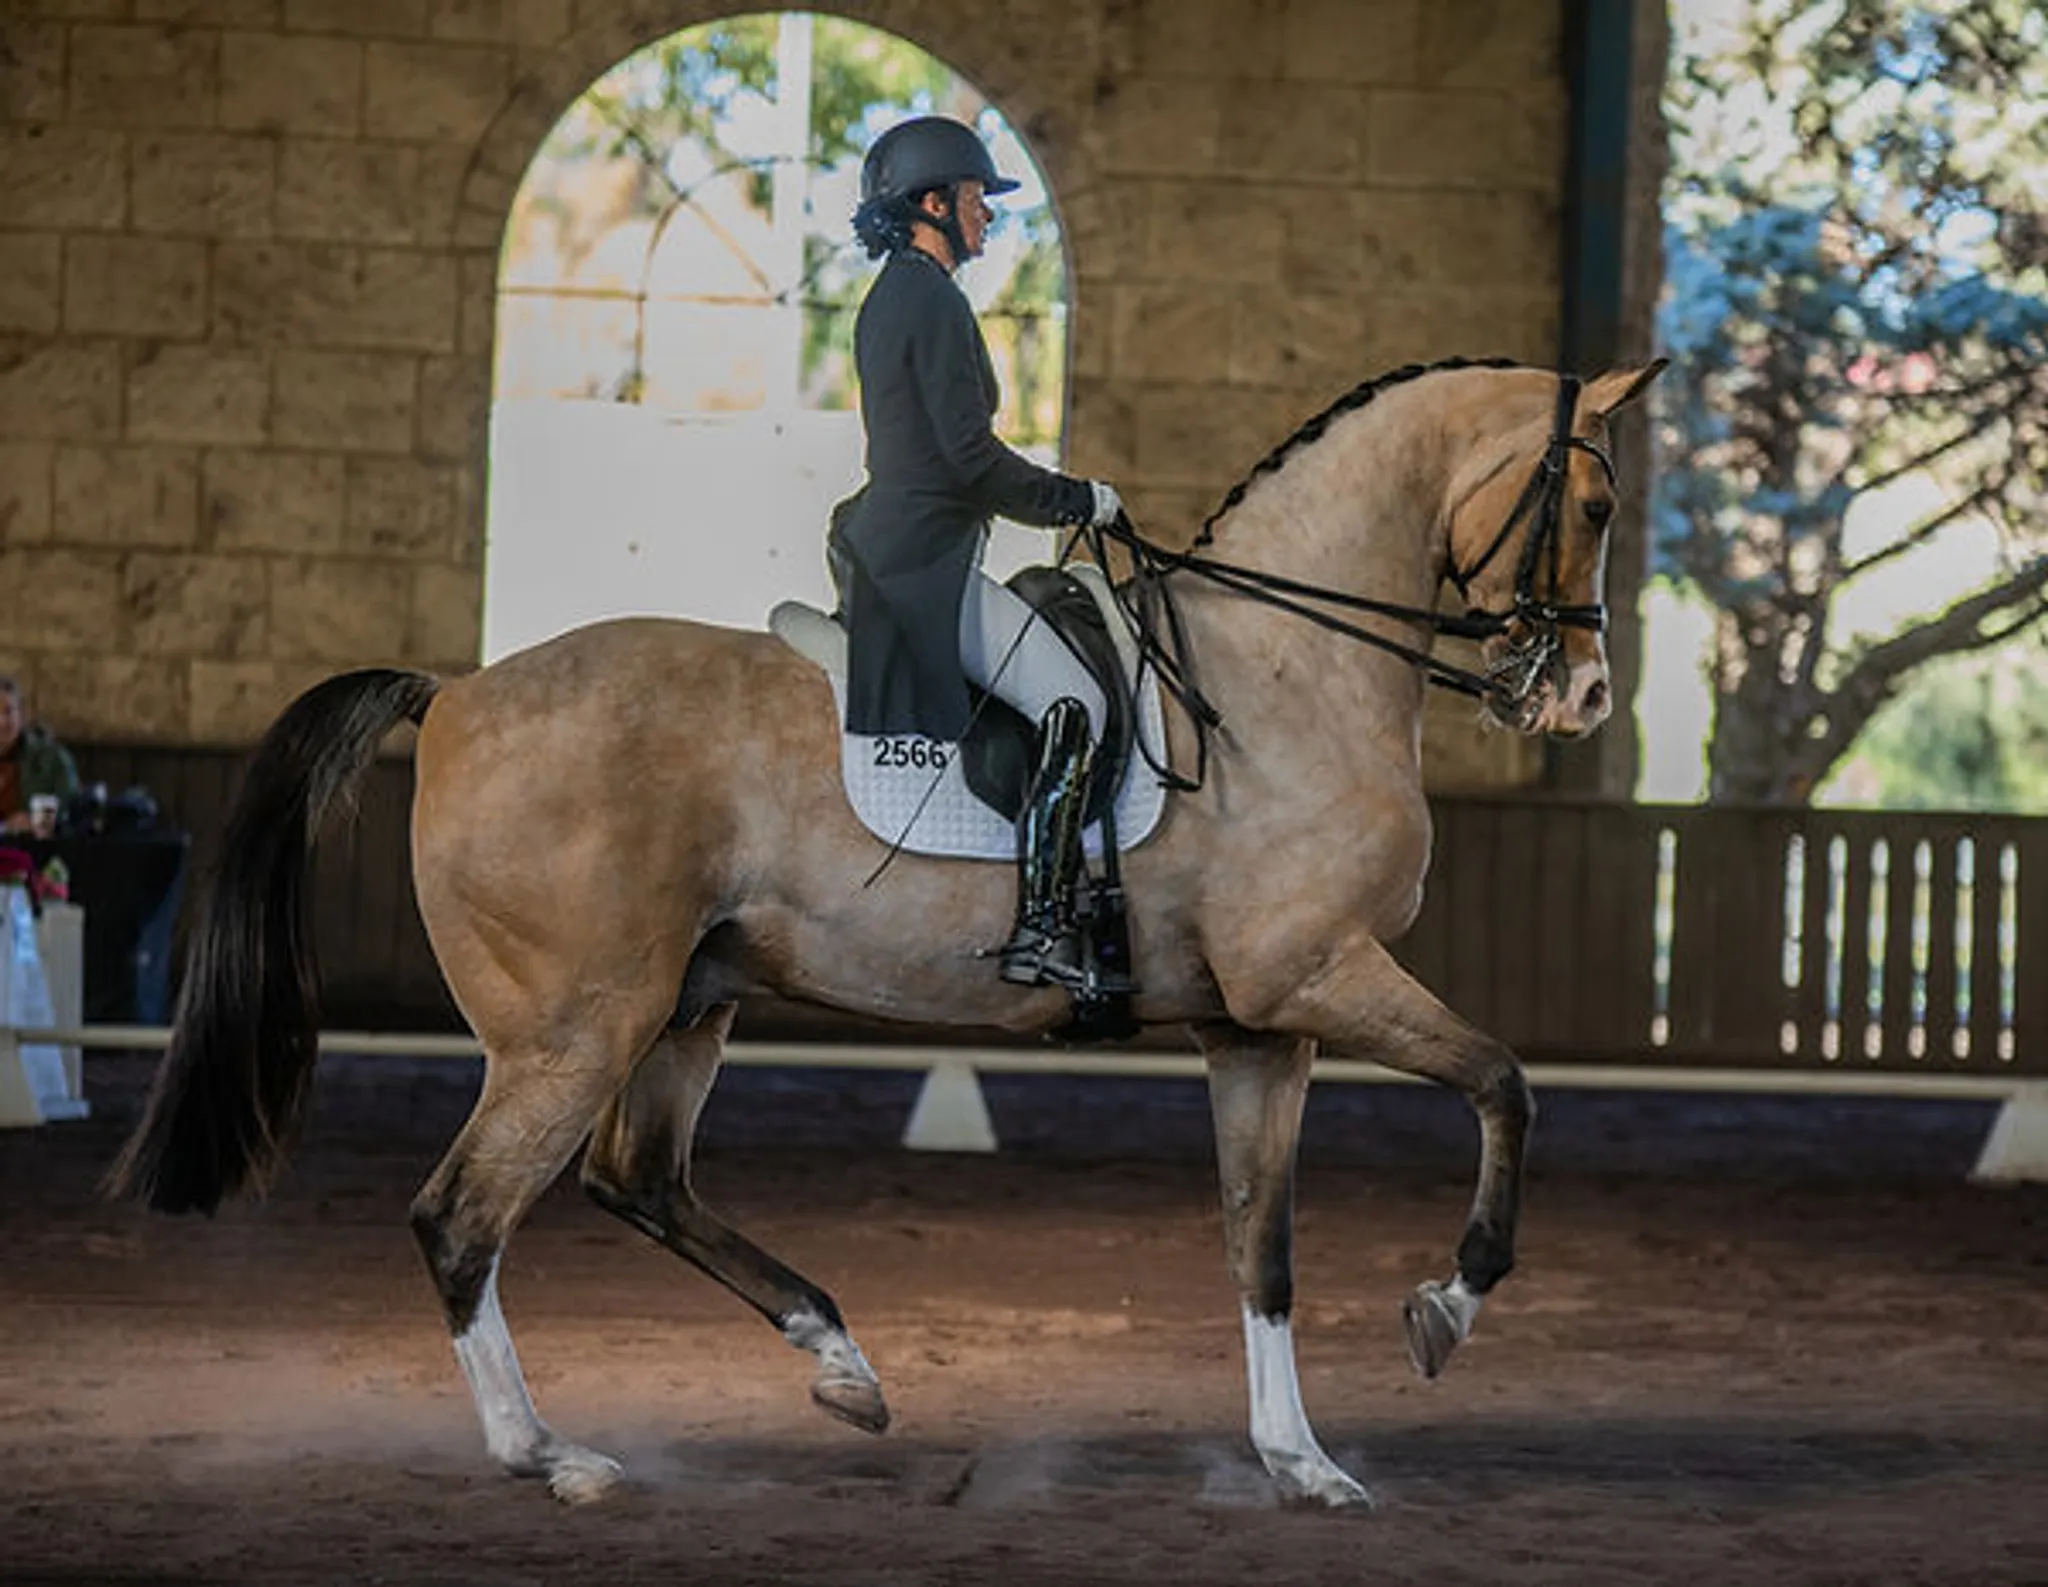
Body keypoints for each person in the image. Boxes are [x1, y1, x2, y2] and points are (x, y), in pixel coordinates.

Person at [833, 114, 1128, 992]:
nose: (988, 214)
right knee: (1077, 701)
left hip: (907, 548)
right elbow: (968, 458)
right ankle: (1042, 924)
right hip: (922, 565)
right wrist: (1076, 499)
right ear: (933, 204)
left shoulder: (900, 293)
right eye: (976, 198)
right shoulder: (930, 299)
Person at [0, 674, 80, 836]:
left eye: (8, 712)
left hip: (29, 846)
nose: (1, 722)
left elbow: (73, 809)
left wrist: (34, 819)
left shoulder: (53, 761)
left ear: (21, 715)